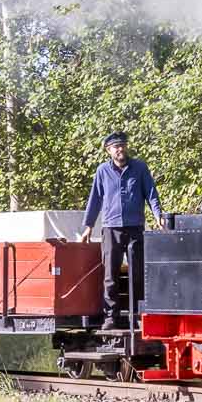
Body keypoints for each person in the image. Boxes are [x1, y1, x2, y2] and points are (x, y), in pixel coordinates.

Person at [80, 130, 162, 329]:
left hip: (135, 228)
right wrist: (88, 226)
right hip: (111, 228)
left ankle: (137, 315)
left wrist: (158, 215)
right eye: (116, 147)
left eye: (122, 145)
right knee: (110, 274)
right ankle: (111, 317)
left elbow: (151, 193)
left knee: (138, 273)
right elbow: (95, 199)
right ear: (109, 150)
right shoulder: (102, 171)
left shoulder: (140, 168)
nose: (120, 150)